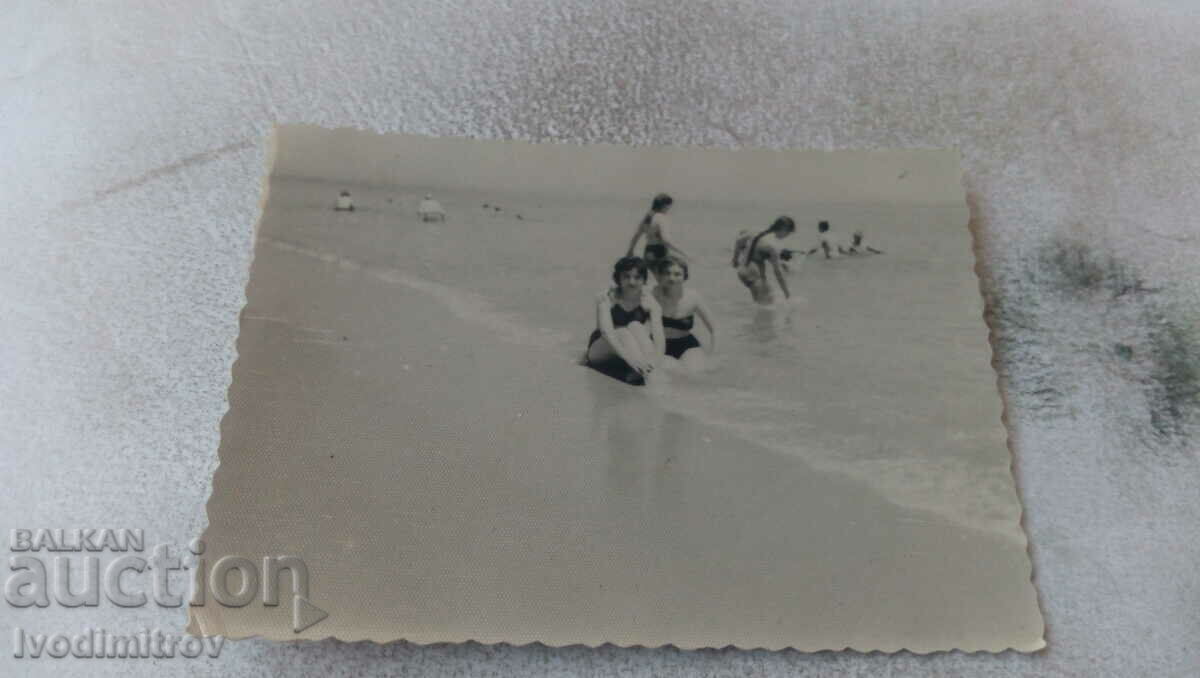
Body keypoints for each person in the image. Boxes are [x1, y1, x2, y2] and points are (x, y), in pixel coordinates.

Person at [585, 256, 666, 386]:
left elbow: (659, 337)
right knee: (622, 332)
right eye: (626, 276)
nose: (632, 282)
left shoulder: (650, 303)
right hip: (601, 350)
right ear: (618, 278)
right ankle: (647, 376)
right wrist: (631, 360)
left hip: (631, 353)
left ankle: (650, 373)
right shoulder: (607, 298)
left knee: (636, 326)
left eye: (637, 277)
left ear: (644, 279)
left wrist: (656, 362)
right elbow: (607, 333)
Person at [652, 257, 716, 371]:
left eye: (677, 274)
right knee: (668, 372)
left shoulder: (693, 297)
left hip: (687, 345)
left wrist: (713, 355)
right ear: (660, 276)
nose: (672, 278)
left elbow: (715, 329)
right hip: (657, 344)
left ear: (685, 277)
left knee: (695, 373)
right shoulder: (652, 295)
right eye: (667, 273)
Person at [733, 216, 797, 305]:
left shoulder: (755, 232)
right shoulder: (773, 246)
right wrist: (787, 294)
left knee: (760, 305)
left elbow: (739, 241)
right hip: (755, 275)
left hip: (742, 272)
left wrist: (735, 259)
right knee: (768, 307)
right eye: (788, 233)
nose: (787, 236)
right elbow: (778, 273)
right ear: (784, 229)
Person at [626, 193, 689, 276]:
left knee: (656, 279)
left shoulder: (647, 217)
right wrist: (683, 252)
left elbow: (636, 236)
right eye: (669, 206)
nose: (669, 209)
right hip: (660, 252)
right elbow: (666, 240)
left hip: (648, 252)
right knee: (665, 280)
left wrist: (630, 250)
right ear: (664, 205)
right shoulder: (661, 218)